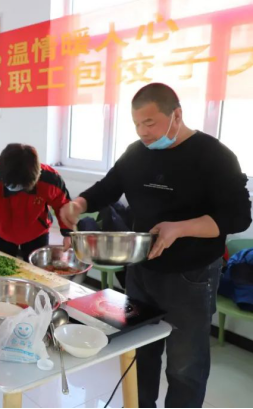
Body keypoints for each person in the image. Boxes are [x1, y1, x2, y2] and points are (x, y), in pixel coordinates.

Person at [60, 83, 252, 409]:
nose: (142, 132)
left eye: (149, 123)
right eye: (136, 124)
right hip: (142, 269)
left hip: (191, 276)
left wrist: (180, 228)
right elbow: (109, 186)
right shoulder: (137, 153)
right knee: (140, 353)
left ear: (176, 115)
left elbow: (238, 217)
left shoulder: (214, 156)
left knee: (185, 365)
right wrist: (79, 203)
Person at [0, 144, 73, 261]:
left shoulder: (51, 180)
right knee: (1, 269)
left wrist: (68, 234)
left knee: (37, 269)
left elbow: (64, 206)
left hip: (37, 233)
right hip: (1, 232)